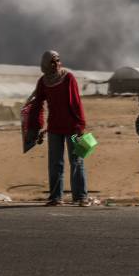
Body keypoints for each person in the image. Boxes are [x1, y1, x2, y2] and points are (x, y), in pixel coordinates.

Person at [26, 50, 89, 206]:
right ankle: (55, 197)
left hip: (73, 128)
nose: (56, 64)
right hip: (54, 128)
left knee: (77, 161)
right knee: (55, 163)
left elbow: (76, 103)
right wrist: (34, 127)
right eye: (53, 61)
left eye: (58, 60)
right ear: (46, 64)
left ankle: (81, 197)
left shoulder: (68, 78)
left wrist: (81, 125)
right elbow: (37, 105)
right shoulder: (43, 81)